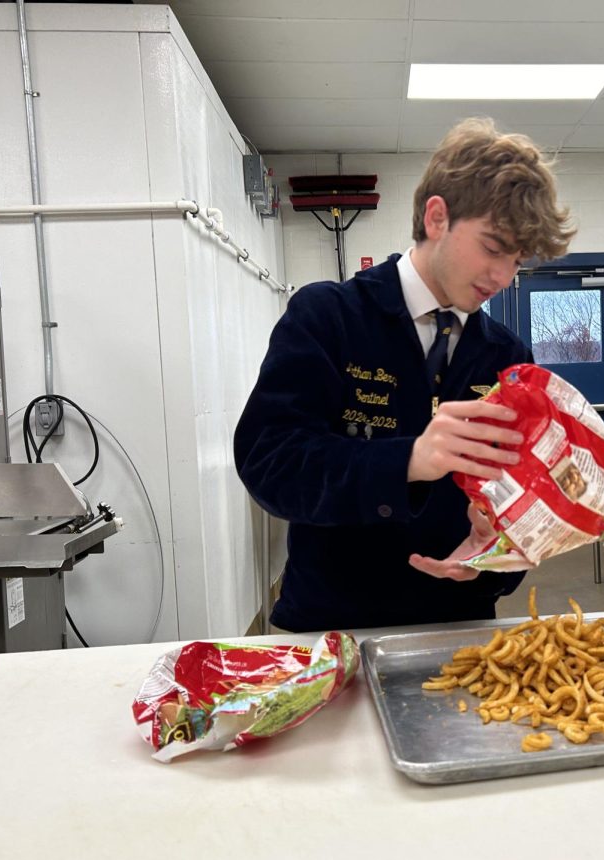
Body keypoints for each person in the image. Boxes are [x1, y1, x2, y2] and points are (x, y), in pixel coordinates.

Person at [234, 118, 575, 632]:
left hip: (460, 626)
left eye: (517, 261)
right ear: (437, 217)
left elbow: (515, 499)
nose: (503, 278)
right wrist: (410, 459)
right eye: (493, 247)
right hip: (330, 627)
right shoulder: (327, 317)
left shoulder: (506, 355)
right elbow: (270, 465)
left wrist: (498, 556)